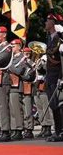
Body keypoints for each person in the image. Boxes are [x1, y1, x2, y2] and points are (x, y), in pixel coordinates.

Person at [44, 14, 63, 142]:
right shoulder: (49, 38)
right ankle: (57, 131)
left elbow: (61, 60)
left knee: (60, 105)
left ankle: (61, 131)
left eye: (47, 20)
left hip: (58, 76)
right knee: (54, 105)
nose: (45, 23)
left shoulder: (60, 39)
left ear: (53, 23)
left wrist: (62, 77)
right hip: (50, 75)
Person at [8, 39, 26, 141]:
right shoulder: (11, 57)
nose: (12, 48)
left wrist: (9, 65)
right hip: (9, 85)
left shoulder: (22, 58)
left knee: (16, 110)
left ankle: (19, 130)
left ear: (19, 46)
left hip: (16, 87)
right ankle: (14, 129)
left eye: (13, 46)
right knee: (11, 110)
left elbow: (19, 71)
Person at [33, 53, 53, 137]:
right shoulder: (37, 58)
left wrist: (42, 64)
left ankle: (48, 127)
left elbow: (45, 70)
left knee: (46, 108)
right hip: (37, 85)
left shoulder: (47, 58)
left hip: (44, 85)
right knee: (40, 108)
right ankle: (43, 127)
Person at [21, 47, 36, 139]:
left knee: (28, 110)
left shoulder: (31, 63)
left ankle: (29, 129)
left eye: (28, 53)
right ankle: (24, 127)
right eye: (25, 53)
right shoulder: (20, 62)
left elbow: (31, 75)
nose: (26, 55)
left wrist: (27, 61)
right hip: (20, 87)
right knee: (21, 109)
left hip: (27, 87)